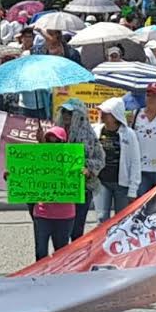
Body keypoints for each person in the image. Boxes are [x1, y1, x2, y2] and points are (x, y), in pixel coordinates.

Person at [55, 99, 105, 240]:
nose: (65, 115)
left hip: (82, 187)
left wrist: (88, 169)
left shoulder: (89, 136)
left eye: (70, 112)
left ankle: (76, 260)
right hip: (60, 187)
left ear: (79, 114)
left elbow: (100, 159)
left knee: (76, 228)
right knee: (60, 228)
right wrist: (42, 141)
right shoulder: (55, 131)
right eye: (64, 111)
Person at [31, 126, 77, 259]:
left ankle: (59, 279)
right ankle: (39, 279)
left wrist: (84, 173)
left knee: (61, 253)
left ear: (63, 143)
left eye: (56, 142)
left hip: (64, 215)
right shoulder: (36, 157)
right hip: (42, 212)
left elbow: (77, 178)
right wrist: (12, 174)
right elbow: (23, 171)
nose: (52, 145)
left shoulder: (71, 159)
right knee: (40, 252)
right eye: (49, 141)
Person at [93, 97, 141, 222]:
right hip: (101, 182)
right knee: (102, 218)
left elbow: (135, 162)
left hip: (122, 185)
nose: (102, 115)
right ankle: (103, 242)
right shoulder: (96, 131)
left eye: (106, 113)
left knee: (122, 221)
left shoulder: (129, 134)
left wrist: (133, 190)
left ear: (115, 116)